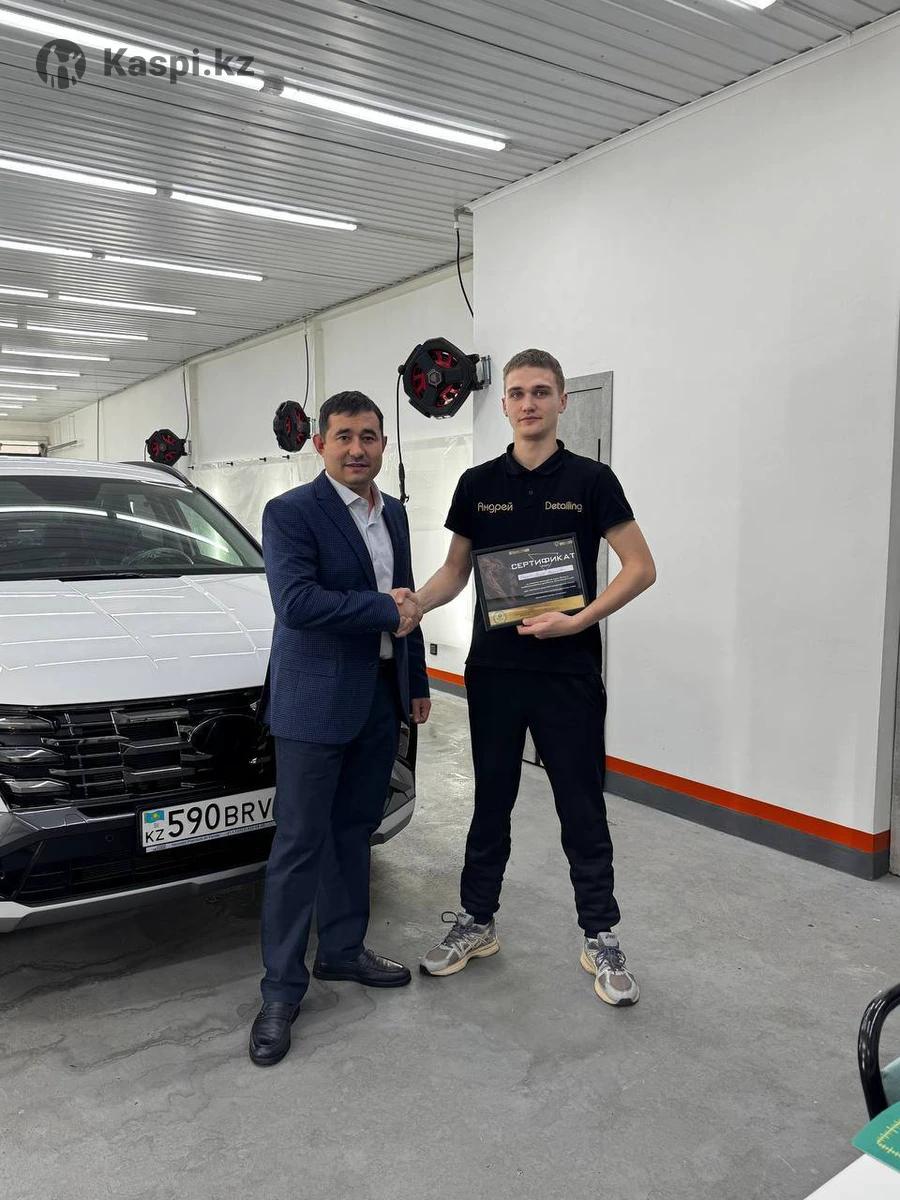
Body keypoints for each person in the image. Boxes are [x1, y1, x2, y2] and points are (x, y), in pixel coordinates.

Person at [407, 349, 655, 1006]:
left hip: (568, 673)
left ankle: (600, 934)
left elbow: (640, 567)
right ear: (504, 404)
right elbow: (455, 571)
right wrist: (414, 605)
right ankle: (476, 921)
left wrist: (579, 621)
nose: (528, 403)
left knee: (582, 805)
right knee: (491, 802)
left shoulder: (593, 480)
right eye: (517, 393)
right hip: (494, 673)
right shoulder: (477, 484)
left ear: (562, 401)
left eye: (541, 391)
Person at [249, 390, 431, 1066]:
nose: (358, 449)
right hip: (314, 705)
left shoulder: (396, 513)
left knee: (356, 831)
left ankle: (344, 950)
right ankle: (280, 990)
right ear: (320, 443)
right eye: (345, 436)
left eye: (369, 436)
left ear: (383, 444)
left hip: (379, 700)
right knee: (299, 844)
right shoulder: (291, 513)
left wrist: (415, 681)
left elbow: (409, 600)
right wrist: (383, 610)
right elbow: (297, 603)